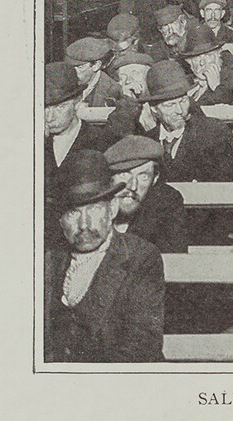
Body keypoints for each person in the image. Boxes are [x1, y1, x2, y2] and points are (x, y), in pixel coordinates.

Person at [44, 150, 164, 362]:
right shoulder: (49, 260)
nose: (84, 225)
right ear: (60, 219)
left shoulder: (140, 257)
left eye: (94, 209)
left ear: (113, 209)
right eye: (73, 212)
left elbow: (141, 345)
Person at [142, 61, 233, 183]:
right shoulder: (146, 142)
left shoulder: (214, 132)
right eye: (170, 105)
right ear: (154, 108)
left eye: (183, 101)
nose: (179, 110)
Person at [103, 135, 187, 253]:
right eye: (124, 175)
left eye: (143, 176)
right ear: (110, 177)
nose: (133, 186)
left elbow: (174, 259)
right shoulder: (95, 200)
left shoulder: (166, 203)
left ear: (155, 178)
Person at [44, 62, 117, 180]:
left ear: (77, 102)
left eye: (60, 107)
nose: (49, 117)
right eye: (45, 108)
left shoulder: (104, 142)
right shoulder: (33, 143)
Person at [179, 24, 233, 106]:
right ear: (190, 63)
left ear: (218, 55)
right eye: (196, 58)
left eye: (208, 56)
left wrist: (217, 87)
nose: (202, 63)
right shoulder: (185, 83)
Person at [65, 37, 122, 107]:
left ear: (96, 65)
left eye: (79, 67)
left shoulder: (113, 92)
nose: (73, 72)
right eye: (70, 67)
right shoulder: (63, 83)